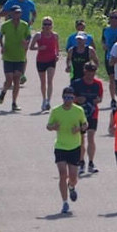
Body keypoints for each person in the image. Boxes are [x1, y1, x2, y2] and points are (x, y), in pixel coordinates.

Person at [47, 86, 87, 214]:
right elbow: (48, 126)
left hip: (74, 147)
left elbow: (85, 124)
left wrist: (80, 129)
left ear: (74, 98)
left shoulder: (79, 110)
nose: (68, 100)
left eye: (70, 97)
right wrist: (54, 127)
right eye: (66, 97)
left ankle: (71, 187)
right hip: (60, 146)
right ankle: (65, 202)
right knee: (63, 174)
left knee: (73, 177)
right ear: (62, 97)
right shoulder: (56, 111)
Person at [69, 62, 104, 174]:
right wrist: (77, 99)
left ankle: (91, 162)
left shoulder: (98, 84)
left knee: (91, 137)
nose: (91, 76)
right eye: (89, 73)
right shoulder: (76, 83)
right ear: (85, 71)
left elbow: (100, 98)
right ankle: (81, 162)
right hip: (79, 114)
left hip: (93, 113)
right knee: (81, 139)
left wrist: (97, 100)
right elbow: (69, 97)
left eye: (93, 73)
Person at [0, 5, 31, 111]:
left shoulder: (24, 25)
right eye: (15, 12)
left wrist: (26, 43)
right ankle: (3, 92)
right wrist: (2, 46)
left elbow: (28, 36)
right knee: (9, 79)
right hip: (8, 55)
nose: (17, 14)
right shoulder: (5, 25)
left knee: (16, 80)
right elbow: (1, 36)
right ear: (11, 14)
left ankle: (14, 103)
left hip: (20, 56)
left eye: (19, 12)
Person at [29, 16, 60, 112]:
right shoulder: (38, 35)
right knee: (43, 82)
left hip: (51, 60)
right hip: (41, 60)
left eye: (49, 24)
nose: (47, 26)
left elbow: (57, 47)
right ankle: (43, 99)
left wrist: (57, 55)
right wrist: (39, 48)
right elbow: (31, 47)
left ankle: (48, 101)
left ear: (52, 25)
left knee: (50, 81)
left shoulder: (55, 35)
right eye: (45, 24)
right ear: (42, 25)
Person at [101, 11, 117, 107]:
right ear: (109, 19)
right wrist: (104, 46)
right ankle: (113, 99)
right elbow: (103, 41)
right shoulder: (106, 30)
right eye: (112, 17)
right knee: (111, 78)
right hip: (109, 56)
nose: (114, 20)